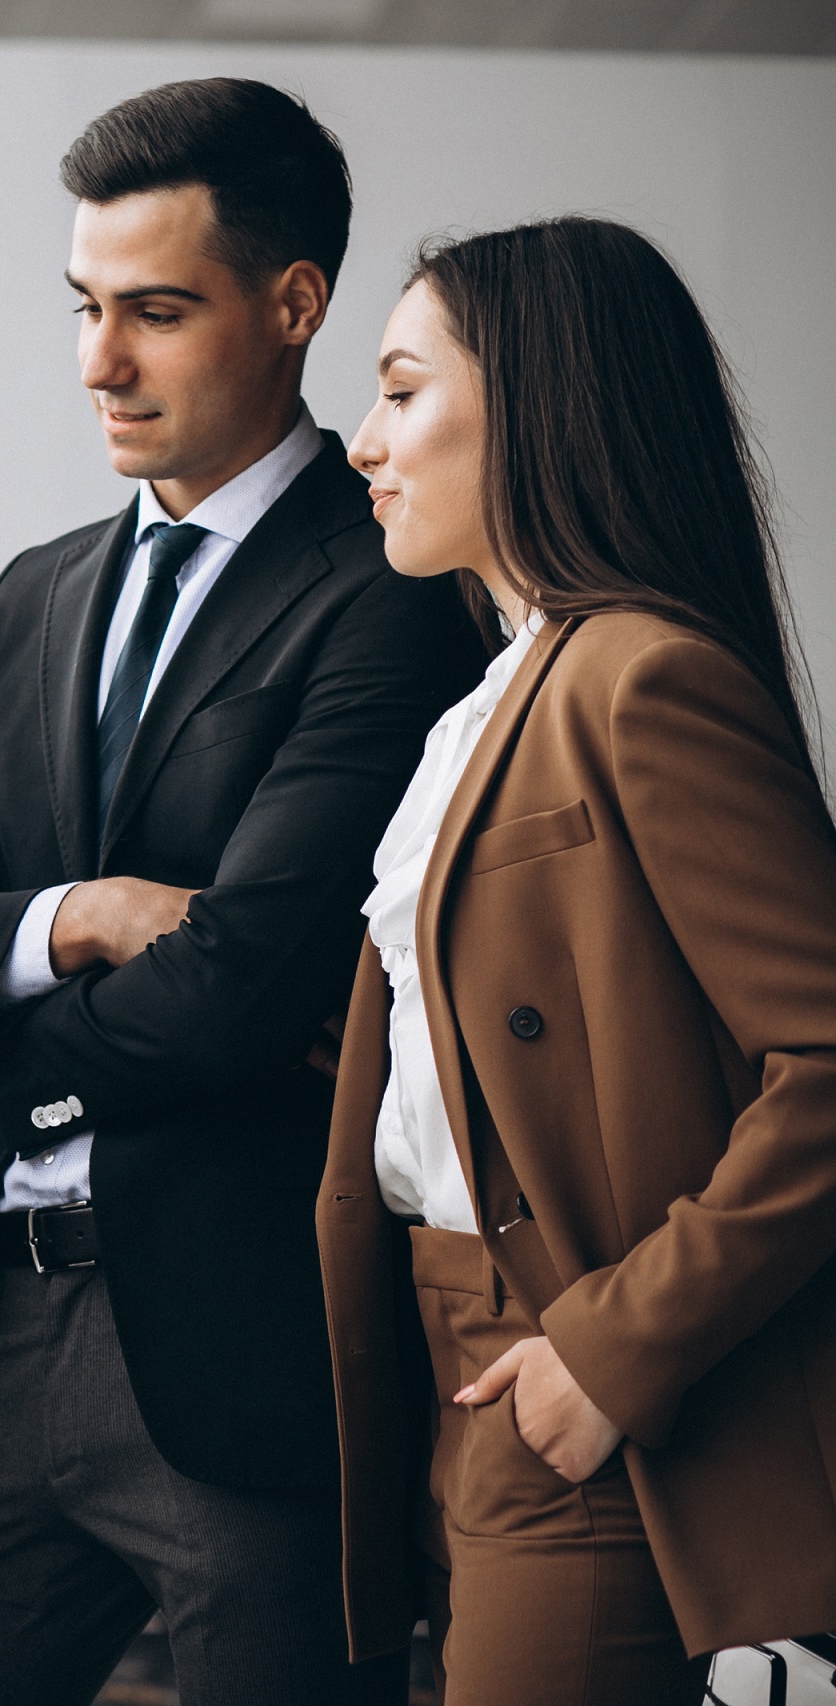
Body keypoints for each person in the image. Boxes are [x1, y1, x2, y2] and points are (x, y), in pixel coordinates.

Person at [0, 80, 488, 1705]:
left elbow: (249, 979)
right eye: (86, 309)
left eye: (156, 313)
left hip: (247, 1354)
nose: (100, 363)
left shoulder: (391, 597)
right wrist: (83, 917)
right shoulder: (34, 598)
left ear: (293, 304)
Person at [322, 216, 836, 1705]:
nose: (364, 440)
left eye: (403, 390)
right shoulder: (488, 698)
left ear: (538, 401)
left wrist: (613, 1348)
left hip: (578, 1365)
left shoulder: (641, 674)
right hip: (442, 1360)